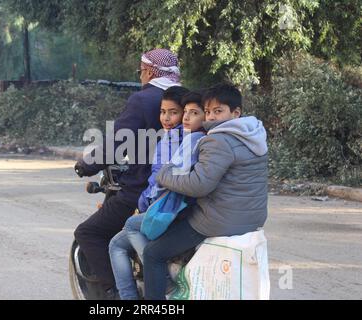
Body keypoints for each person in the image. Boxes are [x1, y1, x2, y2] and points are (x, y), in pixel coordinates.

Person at [143, 83, 269, 300]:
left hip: (218, 221)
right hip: (253, 219)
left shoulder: (217, 139)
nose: (211, 118)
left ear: (235, 112)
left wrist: (164, 176)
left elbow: (199, 184)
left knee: (153, 253)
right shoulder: (255, 135)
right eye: (208, 112)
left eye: (218, 111)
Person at [74, 49, 182, 299]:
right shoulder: (185, 97)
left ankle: (114, 295)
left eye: (141, 72)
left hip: (143, 190)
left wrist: (86, 164)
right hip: (183, 189)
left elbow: (116, 144)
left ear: (148, 72)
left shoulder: (143, 100)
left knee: (88, 232)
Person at [109, 90, 206, 300]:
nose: (167, 118)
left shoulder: (178, 138)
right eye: (163, 112)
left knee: (119, 241)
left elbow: (161, 179)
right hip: (182, 207)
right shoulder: (197, 137)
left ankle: (145, 290)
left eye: (174, 112)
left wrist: (143, 203)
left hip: (169, 208)